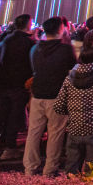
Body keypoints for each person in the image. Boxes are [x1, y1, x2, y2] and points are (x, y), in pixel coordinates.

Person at [24, 16, 77, 176]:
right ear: (61, 29)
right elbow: (73, 70)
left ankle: (30, 168)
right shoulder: (65, 49)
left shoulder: (35, 49)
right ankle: (49, 169)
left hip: (37, 94)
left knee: (34, 132)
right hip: (57, 96)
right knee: (55, 133)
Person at [53, 42, 93, 173]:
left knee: (71, 170)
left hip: (74, 130)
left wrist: (74, 112)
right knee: (92, 172)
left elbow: (58, 106)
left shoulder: (69, 78)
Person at [0, 13, 35, 160]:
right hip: (19, 83)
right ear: (28, 24)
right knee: (15, 115)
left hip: (3, 83)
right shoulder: (29, 42)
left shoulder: (5, 39)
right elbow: (31, 63)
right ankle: (9, 146)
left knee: (0, 114)